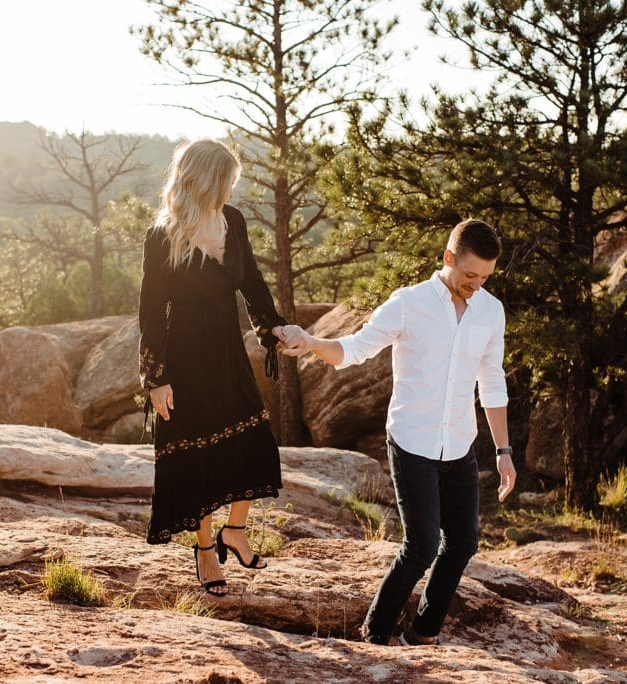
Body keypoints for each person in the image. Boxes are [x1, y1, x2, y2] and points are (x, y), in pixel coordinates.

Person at [279, 218, 517, 644]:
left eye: (484, 277)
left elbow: (492, 381)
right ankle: (376, 632)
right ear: (448, 259)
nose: (476, 285)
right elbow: (354, 349)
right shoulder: (409, 303)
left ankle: (422, 634)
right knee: (422, 546)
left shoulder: (490, 310)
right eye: (469, 275)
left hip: (459, 445)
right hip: (412, 441)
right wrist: (313, 342)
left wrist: (503, 451)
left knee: (462, 545)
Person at [138, 139, 289, 597]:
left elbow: (251, 282)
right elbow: (149, 308)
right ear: (206, 179)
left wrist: (273, 327)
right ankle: (205, 549)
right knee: (198, 456)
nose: (231, 188)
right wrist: (156, 378)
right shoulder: (163, 235)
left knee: (254, 442)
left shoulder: (234, 221)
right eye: (227, 180)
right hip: (184, 355)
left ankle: (234, 530)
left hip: (227, 350)